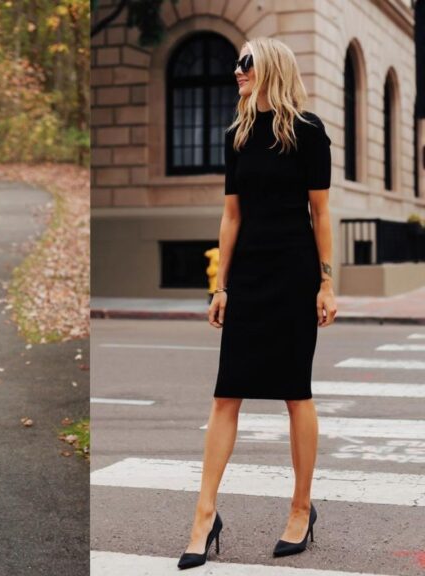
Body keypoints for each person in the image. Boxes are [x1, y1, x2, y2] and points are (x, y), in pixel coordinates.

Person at [178, 37, 337, 570]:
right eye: (236, 63)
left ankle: (301, 509)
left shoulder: (309, 131)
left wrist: (326, 283)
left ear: (270, 66)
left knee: (296, 392)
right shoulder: (238, 134)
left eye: (246, 62)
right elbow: (231, 216)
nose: (237, 70)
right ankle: (204, 516)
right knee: (226, 393)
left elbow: (321, 213)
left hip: (293, 273)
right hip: (247, 276)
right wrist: (220, 286)